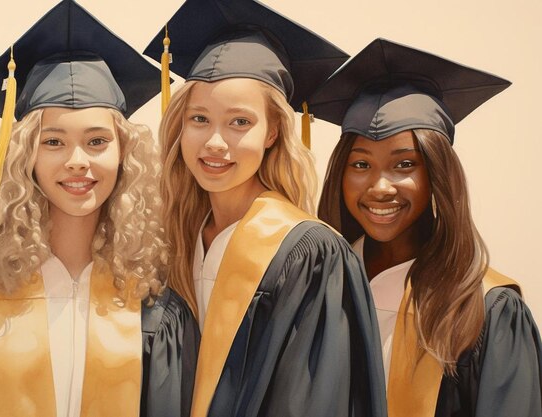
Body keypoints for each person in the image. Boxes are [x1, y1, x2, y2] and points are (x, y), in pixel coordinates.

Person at [0, 1, 198, 417]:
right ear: (22, 155)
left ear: (126, 154)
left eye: (97, 141)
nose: (77, 160)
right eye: (53, 141)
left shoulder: (153, 303)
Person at [144, 1, 387, 416]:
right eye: (199, 118)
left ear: (273, 130)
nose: (215, 143)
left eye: (240, 122)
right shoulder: (171, 241)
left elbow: (309, 401)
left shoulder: (308, 253)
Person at [311, 38, 542, 417]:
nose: (380, 187)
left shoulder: (486, 309)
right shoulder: (319, 285)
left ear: (437, 175)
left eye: (404, 165)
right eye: (360, 164)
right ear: (339, 173)